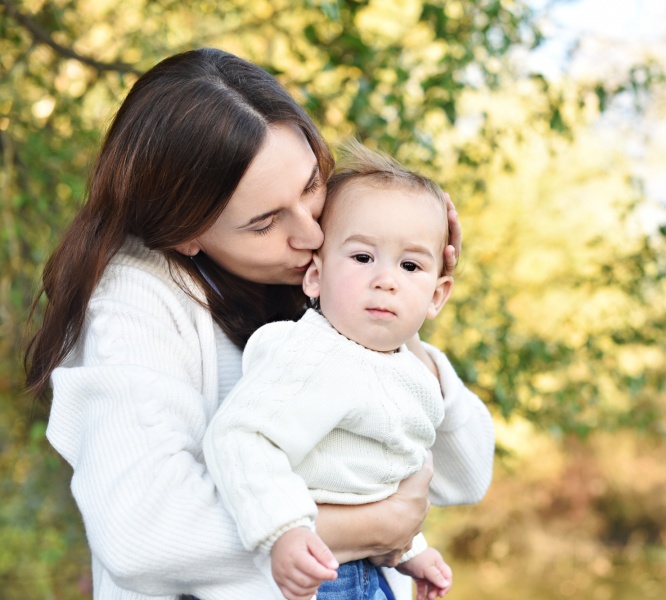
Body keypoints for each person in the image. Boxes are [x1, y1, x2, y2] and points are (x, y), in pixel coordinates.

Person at [23, 48, 495, 600]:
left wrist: (401, 309)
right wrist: (373, 527)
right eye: (266, 221)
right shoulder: (139, 299)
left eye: (312, 184)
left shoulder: (333, 265)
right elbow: (141, 529)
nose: (311, 235)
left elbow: (463, 475)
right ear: (185, 233)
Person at [204, 140, 470, 600]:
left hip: (368, 574)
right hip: (314, 577)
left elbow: (365, 478)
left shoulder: (402, 370)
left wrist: (410, 549)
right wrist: (283, 529)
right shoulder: (314, 355)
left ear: (436, 296)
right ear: (315, 276)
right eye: (363, 257)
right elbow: (241, 436)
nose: (386, 279)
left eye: (410, 265)